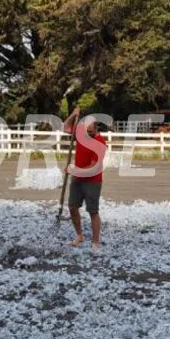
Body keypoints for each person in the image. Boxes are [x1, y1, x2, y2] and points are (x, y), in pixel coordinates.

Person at [62, 107, 107, 250]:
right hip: (77, 179)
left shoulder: (100, 143)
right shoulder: (81, 133)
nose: (87, 133)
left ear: (95, 127)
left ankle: (95, 242)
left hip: (92, 181)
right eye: (85, 129)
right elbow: (65, 127)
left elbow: (93, 167)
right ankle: (79, 236)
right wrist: (73, 115)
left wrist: (73, 170)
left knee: (93, 211)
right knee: (72, 207)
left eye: (90, 130)